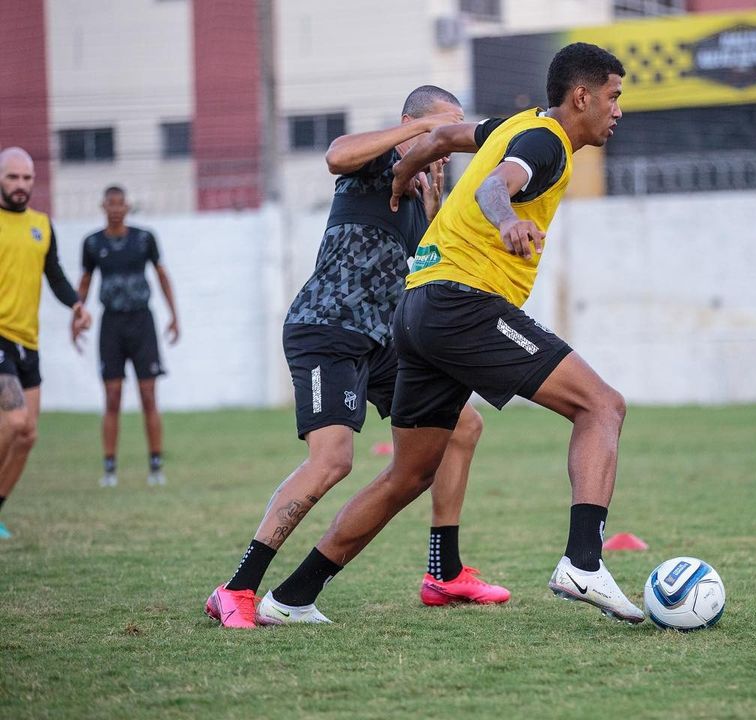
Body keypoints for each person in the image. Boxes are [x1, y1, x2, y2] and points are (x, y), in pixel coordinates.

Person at [255, 42, 645, 626]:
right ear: (581, 96)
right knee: (602, 407)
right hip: (462, 304)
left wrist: (403, 175)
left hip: (415, 312)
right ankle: (583, 562)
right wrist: (508, 219)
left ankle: (290, 597)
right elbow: (496, 187)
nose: (618, 111)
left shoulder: (510, 126)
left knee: (409, 473)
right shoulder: (548, 145)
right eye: (613, 98)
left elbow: (439, 141)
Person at [206, 85, 509, 629]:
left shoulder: (419, 191)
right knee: (333, 461)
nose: (447, 140)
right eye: (441, 126)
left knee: (462, 425)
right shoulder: (377, 164)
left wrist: (434, 209)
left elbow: (420, 267)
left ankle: (445, 572)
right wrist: (416, 137)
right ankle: (237, 588)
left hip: (383, 340)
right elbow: (335, 154)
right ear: (410, 123)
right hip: (326, 329)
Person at [0, 147, 92, 539]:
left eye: (27, 178)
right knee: (14, 419)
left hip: (27, 342)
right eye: (12, 177)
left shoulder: (41, 225)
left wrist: (76, 304)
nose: (20, 185)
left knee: (28, 435)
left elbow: (53, 274)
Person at [76, 186, 180, 487]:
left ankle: (156, 465)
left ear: (128, 207)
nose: (116, 209)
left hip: (141, 323)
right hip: (111, 325)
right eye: (111, 204)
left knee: (149, 395)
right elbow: (84, 281)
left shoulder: (144, 239)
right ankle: (109, 468)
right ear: (103, 206)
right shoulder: (93, 243)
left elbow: (161, 275)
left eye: (121, 204)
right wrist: (77, 313)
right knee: (112, 396)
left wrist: (174, 315)